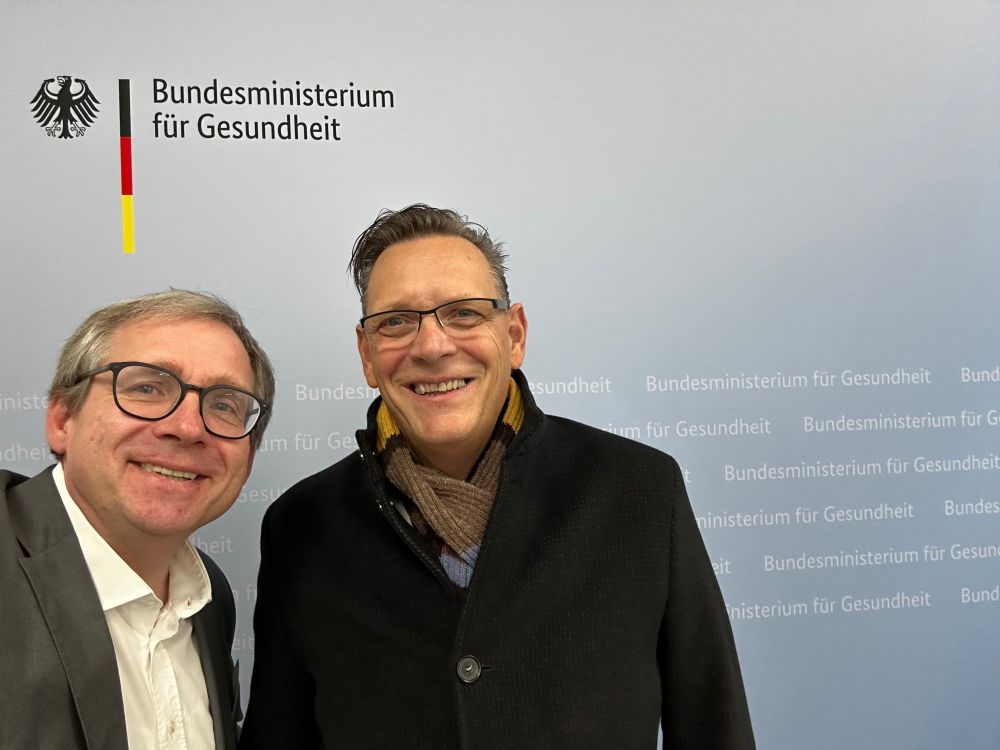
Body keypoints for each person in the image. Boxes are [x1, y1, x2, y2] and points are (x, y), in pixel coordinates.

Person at [241, 205, 755, 749]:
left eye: (464, 313)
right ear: (367, 356)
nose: (432, 346)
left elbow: (711, 725)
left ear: (514, 335)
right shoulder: (301, 527)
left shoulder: (639, 492)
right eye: (395, 321)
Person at [0, 290, 275, 750]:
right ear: (63, 418)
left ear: (246, 461)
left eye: (224, 405)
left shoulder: (210, 598)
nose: (188, 427)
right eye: (147, 388)